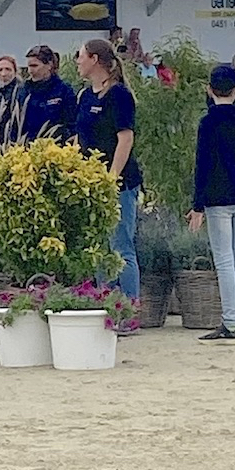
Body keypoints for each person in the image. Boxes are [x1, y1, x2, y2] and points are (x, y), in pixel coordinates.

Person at [188, 65, 235, 344]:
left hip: (217, 196)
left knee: (224, 260)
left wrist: (197, 204)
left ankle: (230, 323)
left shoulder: (208, 122)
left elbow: (203, 164)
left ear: (209, 90)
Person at [75, 39, 142, 306]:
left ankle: (129, 308)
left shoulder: (119, 95)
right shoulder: (85, 96)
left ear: (94, 59)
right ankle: (105, 306)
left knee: (121, 246)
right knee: (100, 248)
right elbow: (79, 138)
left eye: (80, 56)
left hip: (119, 183)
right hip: (91, 183)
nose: (77, 61)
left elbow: (125, 139)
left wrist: (111, 179)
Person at [16, 46, 75, 142]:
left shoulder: (64, 90)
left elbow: (71, 122)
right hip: (27, 146)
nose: (30, 71)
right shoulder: (23, 91)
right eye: (29, 66)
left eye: (35, 66)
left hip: (55, 147)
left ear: (49, 65)